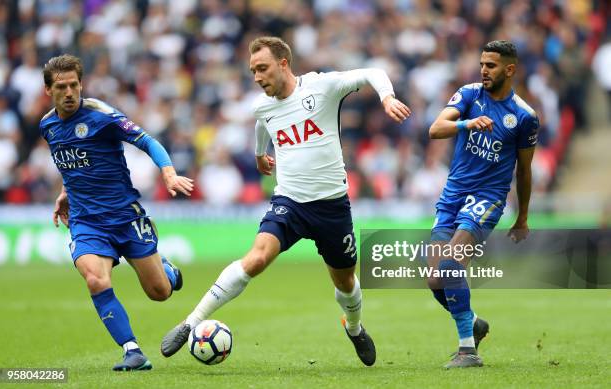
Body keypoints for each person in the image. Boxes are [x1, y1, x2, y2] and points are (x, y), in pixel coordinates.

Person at [161, 36, 411, 366]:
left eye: (262, 68)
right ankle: (190, 322)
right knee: (257, 258)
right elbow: (262, 124)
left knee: (346, 282)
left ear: (283, 64)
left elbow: (372, 72)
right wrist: (259, 154)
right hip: (289, 202)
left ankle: (354, 328)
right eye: (252, 71)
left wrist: (387, 97)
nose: (257, 77)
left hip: (332, 207)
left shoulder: (321, 87)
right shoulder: (261, 105)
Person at [40, 54, 194, 371]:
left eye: (73, 85)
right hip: (86, 221)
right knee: (96, 280)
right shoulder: (48, 126)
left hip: (126, 216)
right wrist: (65, 192)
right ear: (48, 91)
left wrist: (167, 172)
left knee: (160, 293)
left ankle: (166, 270)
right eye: (61, 87)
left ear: (81, 84)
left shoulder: (101, 114)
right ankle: (132, 350)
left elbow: (148, 141)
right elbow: (70, 162)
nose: (69, 92)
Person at [427, 40, 538, 368]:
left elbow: (525, 170)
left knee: (450, 265)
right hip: (452, 197)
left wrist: (523, 217)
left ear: (510, 69)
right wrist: (466, 123)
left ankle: (467, 351)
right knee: (434, 279)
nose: (484, 71)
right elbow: (436, 129)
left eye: (491, 65)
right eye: (482, 65)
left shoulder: (524, 117)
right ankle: (473, 323)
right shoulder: (469, 95)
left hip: (487, 199)